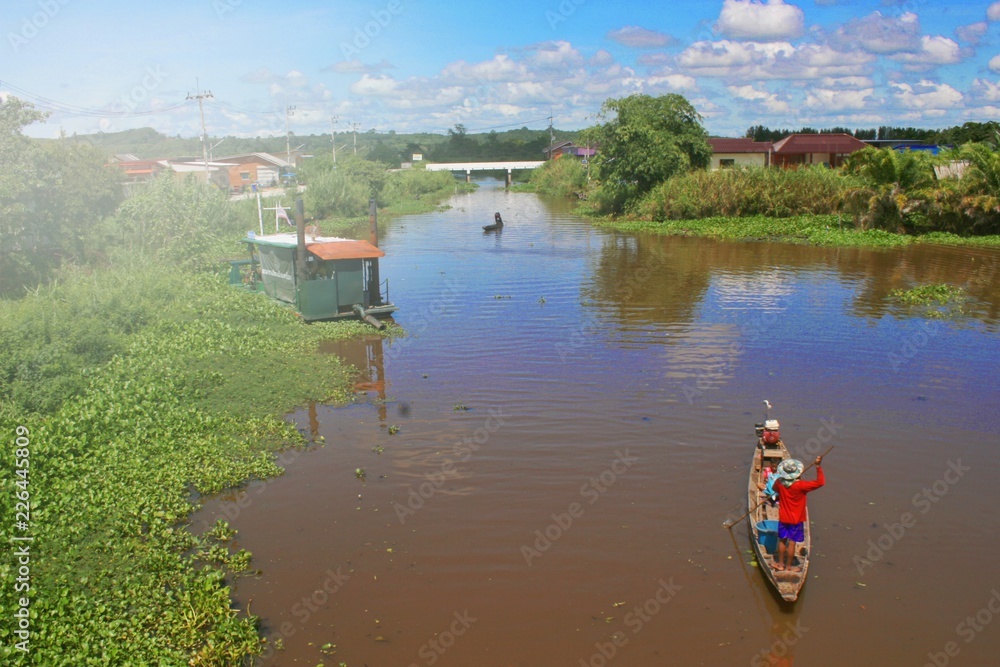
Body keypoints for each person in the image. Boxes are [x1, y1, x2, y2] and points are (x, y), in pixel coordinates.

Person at [769, 456, 824, 572]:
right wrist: (818, 466)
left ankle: (780, 564)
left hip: (784, 517)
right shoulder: (801, 486)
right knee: (792, 542)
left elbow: (775, 488)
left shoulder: (779, 483)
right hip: (796, 519)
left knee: (782, 540)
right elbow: (820, 482)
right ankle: (788, 566)